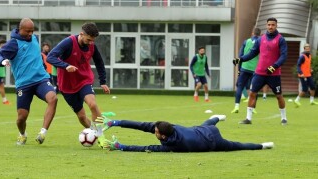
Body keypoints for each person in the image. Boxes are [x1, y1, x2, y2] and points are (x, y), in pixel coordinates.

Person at [0, 18, 57, 145]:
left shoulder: (35, 38)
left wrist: (43, 68)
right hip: (24, 85)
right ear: (20, 29)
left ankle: (42, 133)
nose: (30, 34)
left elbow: (36, 55)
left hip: (41, 80)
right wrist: (2, 61)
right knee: (21, 118)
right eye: (27, 31)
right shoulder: (13, 43)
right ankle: (22, 134)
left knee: (53, 99)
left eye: (32, 31)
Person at [47, 22, 112, 144]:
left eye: (93, 40)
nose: (91, 43)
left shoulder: (92, 46)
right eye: (88, 40)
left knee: (92, 104)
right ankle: (93, 132)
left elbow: (99, 62)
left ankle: (101, 136)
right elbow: (50, 57)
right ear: (81, 34)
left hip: (84, 81)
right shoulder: (68, 42)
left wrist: (103, 81)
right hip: (67, 86)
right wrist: (66, 66)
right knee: (82, 116)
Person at [97, 115, 274, 152]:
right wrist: (116, 122)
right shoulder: (168, 127)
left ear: (163, 136)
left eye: (155, 131)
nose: (153, 131)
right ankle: (217, 117)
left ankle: (262, 145)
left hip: (213, 142)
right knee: (207, 123)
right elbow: (141, 125)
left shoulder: (173, 146)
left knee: (237, 146)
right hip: (204, 130)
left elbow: (147, 147)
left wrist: (121, 147)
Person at [233, 17, 288, 125]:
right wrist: (241, 59)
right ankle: (248, 119)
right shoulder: (260, 39)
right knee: (252, 93)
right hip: (259, 73)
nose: (270, 27)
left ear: (276, 26)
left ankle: (284, 118)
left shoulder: (280, 39)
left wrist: (274, 66)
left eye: (273, 25)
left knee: (278, 96)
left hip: (274, 74)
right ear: (266, 26)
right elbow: (252, 53)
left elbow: (284, 56)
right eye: (269, 25)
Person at [232, 28, 261, 113]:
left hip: (244, 68)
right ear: (260, 34)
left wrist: (239, 70)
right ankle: (253, 108)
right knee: (255, 89)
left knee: (240, 86)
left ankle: (236, 106)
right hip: (255, 69)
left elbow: (241, 56)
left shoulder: (246, 42)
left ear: (252, 33)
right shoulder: (260, 42)